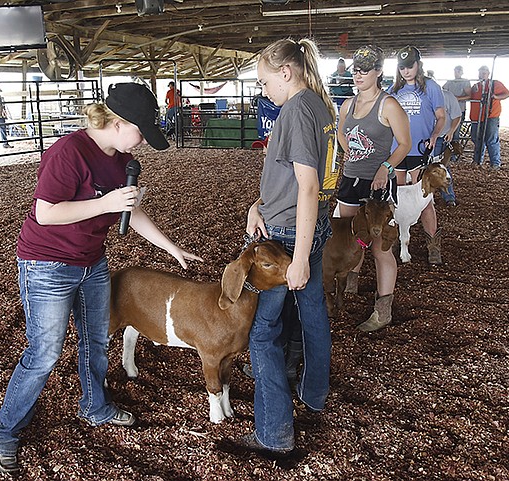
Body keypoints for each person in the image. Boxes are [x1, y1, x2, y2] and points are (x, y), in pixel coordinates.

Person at [0, 82, 203, 475]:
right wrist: (104, 203)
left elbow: (128, 211)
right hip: (47, 263)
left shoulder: (122, 160)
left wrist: (170, 248)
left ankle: (94, 405)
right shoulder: (67, 153)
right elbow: (47, 213)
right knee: (45, 352)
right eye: (140, 132)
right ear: (118, 122)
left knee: (96, 339)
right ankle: (1, 431)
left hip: (91, 262)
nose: (142, 142)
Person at [237, 37, 335, 457]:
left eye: (263, 82)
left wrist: (297, 259)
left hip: (289, 235)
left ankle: (274, 432)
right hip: (305, 226)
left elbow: (308, 185)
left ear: (285, 72)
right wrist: (259, 203)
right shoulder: (318, 103)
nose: (263, 91)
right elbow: (295, 179)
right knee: (312, 313)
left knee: (261, 333)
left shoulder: (294, 109)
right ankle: (313, 394)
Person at [336, 45, 411, 332]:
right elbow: (342, 133)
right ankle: (350, 289)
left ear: (378, 71)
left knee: (380, 246)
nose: (358, 74)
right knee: (351, 236)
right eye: (356, 69)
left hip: (378, 183)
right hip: (351, 179)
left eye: (364, 69)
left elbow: (404, 143)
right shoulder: (348, 104)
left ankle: (383, 310)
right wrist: (351, 153)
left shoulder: (388, 104)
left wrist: (386, 167)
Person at [389, 46, 445, 265]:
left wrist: (434, 135)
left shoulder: (431, 87)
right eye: (402, 67)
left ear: (418, 64)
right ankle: (397, 242)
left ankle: (433, 245)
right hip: (397, 149)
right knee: (397, 197)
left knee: (425, 200)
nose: (406, 71)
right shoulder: (394, 89)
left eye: (410, 66)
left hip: (420, 149)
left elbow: (440, 116)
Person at [469, 65, 509, 170]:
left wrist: (496, 97)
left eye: (484, 72)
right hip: (477, 117)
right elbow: (471, 96)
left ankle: (495, 163)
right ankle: (477, 160)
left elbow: (507, 94)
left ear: (488, 73)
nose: (481, 74)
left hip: (491, 116)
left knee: (491, 139)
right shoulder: (476, 86)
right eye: (480, 72)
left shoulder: (495, 84)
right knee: (476, 138)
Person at [435, 89, 462, 206]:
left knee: (443, 166)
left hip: (441, 137)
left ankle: (448, 195)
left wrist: (451, 131)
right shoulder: (420, 95)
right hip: (423, 137)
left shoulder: (447, 96)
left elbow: (457, 116)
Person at [443, 65, 472, 150]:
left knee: (455, 130)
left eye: (459, 71)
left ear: (462, 72)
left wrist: (458, 98)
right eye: (455, 71)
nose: (456, 72)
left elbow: (469, 96)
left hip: (460, 109)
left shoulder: (465, 82)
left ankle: (453, 151)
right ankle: (445, 150)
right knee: (446, 129)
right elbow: (443, 90)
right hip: (448, 110)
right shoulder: (450, 81)